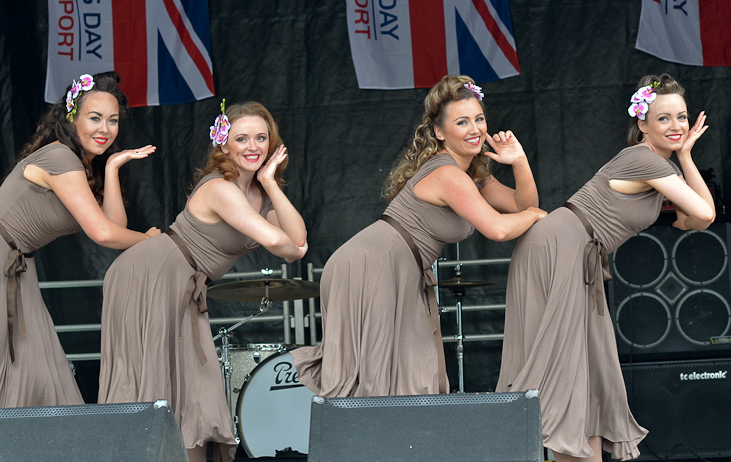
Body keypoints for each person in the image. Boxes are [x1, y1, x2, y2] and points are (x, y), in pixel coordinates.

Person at [495, 73, 715, 461]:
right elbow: (704, 212)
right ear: (642, 125)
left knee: (592, 366)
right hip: (560, 245)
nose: (677, 126)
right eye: (663, 118)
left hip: (580, 254)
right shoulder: (644, 159)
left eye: (681, 117)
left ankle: (587, 454)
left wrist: (683, 158)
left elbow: (694, 222)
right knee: (565, 365)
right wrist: (684, 156)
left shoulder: (660, 167)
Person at [291, 75, 547, 398]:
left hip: (400, 268)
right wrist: (537, 217)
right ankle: (362, 446)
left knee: (413, 372)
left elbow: (523, 205)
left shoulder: (472, 175)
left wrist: (519, 160)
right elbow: (499, 228)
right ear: (440, 132)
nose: (475, 129)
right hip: (372, 265)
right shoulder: (449, 175)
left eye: (479, 119)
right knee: (376, 381)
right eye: (462, 122)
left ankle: (401, 446)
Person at [98, 100, 308, 462]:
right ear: (224, 144)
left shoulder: (259, 195)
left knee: (198, 387)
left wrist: (271, 183)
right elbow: (279, 242)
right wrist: (289, 243)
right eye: (242, 138)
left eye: (262, 138)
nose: (253, 146)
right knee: (153, 383)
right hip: (150, 274)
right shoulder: (220, 188)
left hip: (186, 285)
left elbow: (298, 244)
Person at [0, 72, 160, 409]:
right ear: (71, 117)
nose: (104, 129)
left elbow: (111, 223)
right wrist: (150, 240)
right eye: (94, 118)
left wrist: (113, 168)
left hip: (17, 267)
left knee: (41, 369)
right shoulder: (60, 157)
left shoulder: (80, 164)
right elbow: (104, 234)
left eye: (112, 120)